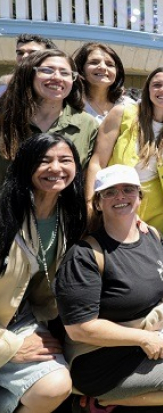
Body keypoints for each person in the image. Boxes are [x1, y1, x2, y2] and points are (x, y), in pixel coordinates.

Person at [55, 165, 163, 411]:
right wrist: (142, 338)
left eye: (128, 190)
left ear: (139, 197)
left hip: (148, 338)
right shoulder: (84, 256)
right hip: (100, 356)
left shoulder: (152, 236)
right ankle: (101, 401)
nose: (121, 197)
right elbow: (80, 329)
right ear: (98, 203)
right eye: (110, 192)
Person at [0, 133, 87, 413]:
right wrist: (10, 346)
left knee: (55, 385)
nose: (56, 169)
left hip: (20, 317)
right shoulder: (4, 213)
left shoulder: (69, 214)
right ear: (26, 166)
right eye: (44, 161)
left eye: (65, 160)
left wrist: (134, 219)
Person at [86, 67, 163, 237]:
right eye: (157, 84)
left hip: (159, 212)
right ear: (148, 88)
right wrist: (90, 203)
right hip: (117, 202)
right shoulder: (123, 112)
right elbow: (97, 162)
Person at [0, 49, 98, 184]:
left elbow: (88, 179)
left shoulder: (87, 124)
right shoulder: (5, 120)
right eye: (47, 70)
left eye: (65, 73)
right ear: (28, 74)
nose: (57, 77)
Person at [73, 42, 134, 124]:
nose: (103, 67)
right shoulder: (71, 104)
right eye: (94, 62)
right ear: (81, 70)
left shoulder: (129, 106)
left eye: (110, 64)